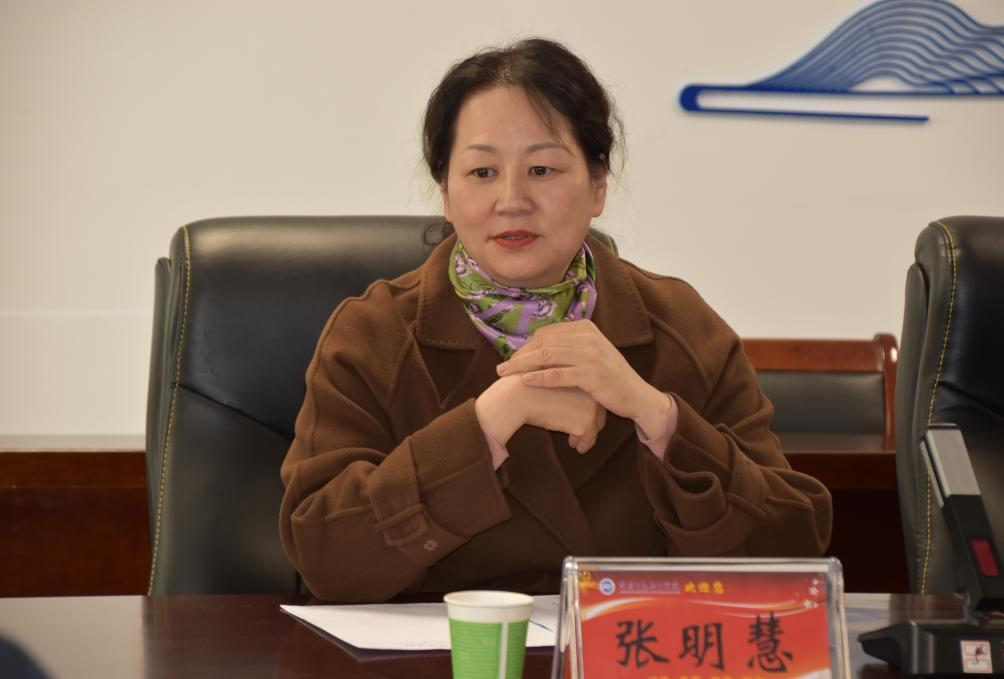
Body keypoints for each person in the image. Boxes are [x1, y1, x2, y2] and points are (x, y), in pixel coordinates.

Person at [279, 38, 832, 603]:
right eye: (482, 171)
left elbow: (792, 551)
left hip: (627, 643)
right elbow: (326, 558)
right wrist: (489, 423)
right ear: (445, 192)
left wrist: (658, 417)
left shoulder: (681, 327)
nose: (512, 200)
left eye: (542, 168)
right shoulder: (373, 334)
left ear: (598, 185)